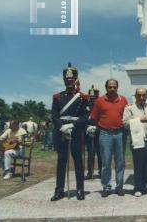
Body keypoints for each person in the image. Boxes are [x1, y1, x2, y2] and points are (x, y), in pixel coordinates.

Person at [50, 63, 89, 201]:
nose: (69, 81)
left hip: (76, 133)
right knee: (61, 162)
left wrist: (72, 125)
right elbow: (54, 115)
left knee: (78, 162)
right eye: (67, 79)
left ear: (76, 80)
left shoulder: (82, 98)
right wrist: (62, 126)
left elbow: (85, 117)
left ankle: (80, 189)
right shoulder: (57, 97)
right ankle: (59, 190)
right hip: (61, 133)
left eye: (71, 79)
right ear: (64, 80)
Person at [90, 79, 128, 197]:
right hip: (105, 133)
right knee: (106, 162)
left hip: (120, 133)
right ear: (106, 88)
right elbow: (94, 118)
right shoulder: (100, 101)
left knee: (120, 162)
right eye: (110, 87)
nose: (112, 89)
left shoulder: (123, 100)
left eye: (114, 87)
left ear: (117, 87)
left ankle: (119, 186)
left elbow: (127, 116)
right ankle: (106, 187)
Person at [123, 88, 147, 197]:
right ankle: (138, 188)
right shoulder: (130, 108)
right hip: (137, 141)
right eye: (139, 95)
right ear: (135, 96)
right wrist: (140, 119)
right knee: (138, 165)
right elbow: (124, 123)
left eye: (144, 95)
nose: (141, 98)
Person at [85, 85, 102, 179]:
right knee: (90, 153)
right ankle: (90, 172)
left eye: (94, 97)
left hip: (99, 130)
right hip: (89, 131)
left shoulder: (100, 104)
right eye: (91, 97)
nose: (92, 99)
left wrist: (97, 126)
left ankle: (101, 171)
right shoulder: (86, 104)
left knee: (100, 153)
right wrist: (87, 126)